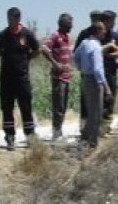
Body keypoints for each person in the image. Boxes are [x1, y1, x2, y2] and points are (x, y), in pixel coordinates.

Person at [0, 7, 41, 150]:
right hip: (6, 78)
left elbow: (37, 50)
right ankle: (9, 137)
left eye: (12, 19)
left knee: (26, 107)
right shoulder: (3, 34)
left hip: (22, 78)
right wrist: (8, 58)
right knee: (7, 108)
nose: (9, 21)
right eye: (8, 18)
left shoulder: (27, 34)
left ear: (18, 19)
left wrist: (26, 59)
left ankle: (30, 136)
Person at [40, 13, 74, 141]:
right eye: (70, 23)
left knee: (63, 106)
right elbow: (44, 48)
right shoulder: (55, 36)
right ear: (63, 24)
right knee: (58, 106)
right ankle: (56, 132)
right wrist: (55, 63)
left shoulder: (67, 37)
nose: (72, 26)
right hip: (58, 77)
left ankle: (59, 130)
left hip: (67, 76)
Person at [74, 20, 107, 150]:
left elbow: (75, 57)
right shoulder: (96, 46)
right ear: (98, 31)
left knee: (91, 110)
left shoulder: (84, 43)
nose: (105, 32)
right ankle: (92, 142)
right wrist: (106, 86)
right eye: (103, 29)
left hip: (86, 78)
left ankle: (85, 138)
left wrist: (81, 68)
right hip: (94, 80)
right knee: (97, 113)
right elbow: (98, 69)